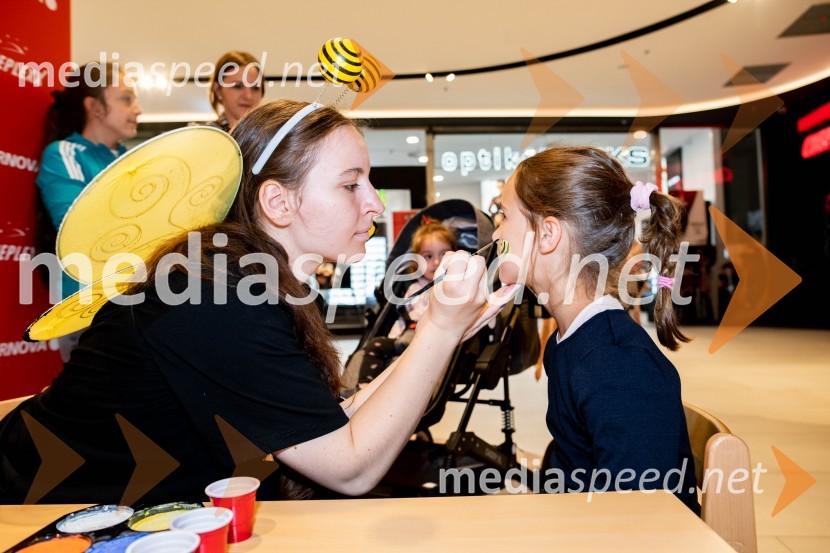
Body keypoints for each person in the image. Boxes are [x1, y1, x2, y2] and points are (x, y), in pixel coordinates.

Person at [0, 100, 491, 504]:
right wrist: (439, 331)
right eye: (350, 184)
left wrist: (437, 339)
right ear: (277, 202)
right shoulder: (216, 298)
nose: (375, 204)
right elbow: (350, 466)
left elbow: (328, 422)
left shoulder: (256, 283)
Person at [492, 146, 700, 514]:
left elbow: (642, 519)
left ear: (547, 234)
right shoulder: (569, 341)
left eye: (503, 214)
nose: (495, 228)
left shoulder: (619, 366)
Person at [35, 62, 142, 360]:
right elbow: (79, 228)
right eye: (126, 98)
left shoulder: (134, 160)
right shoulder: (64, 154)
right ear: (94, 107)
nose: (138, 109)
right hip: (87, 309)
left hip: (135, 305)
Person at [356, 219, 457, 384]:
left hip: (431, 342)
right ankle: (365, 384)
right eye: (428, 256)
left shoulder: (453, 287)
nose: (437, 262)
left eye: (444, 255)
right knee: (376, 345)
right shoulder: (413, 288)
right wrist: (394, 338)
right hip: (407, 338)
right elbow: (404, 318)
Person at [206, 51, 264, 131]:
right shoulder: (204, 138)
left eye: (255, 88)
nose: (248, 96)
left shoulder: (275, 137)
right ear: (218, 90)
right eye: (237, 86)